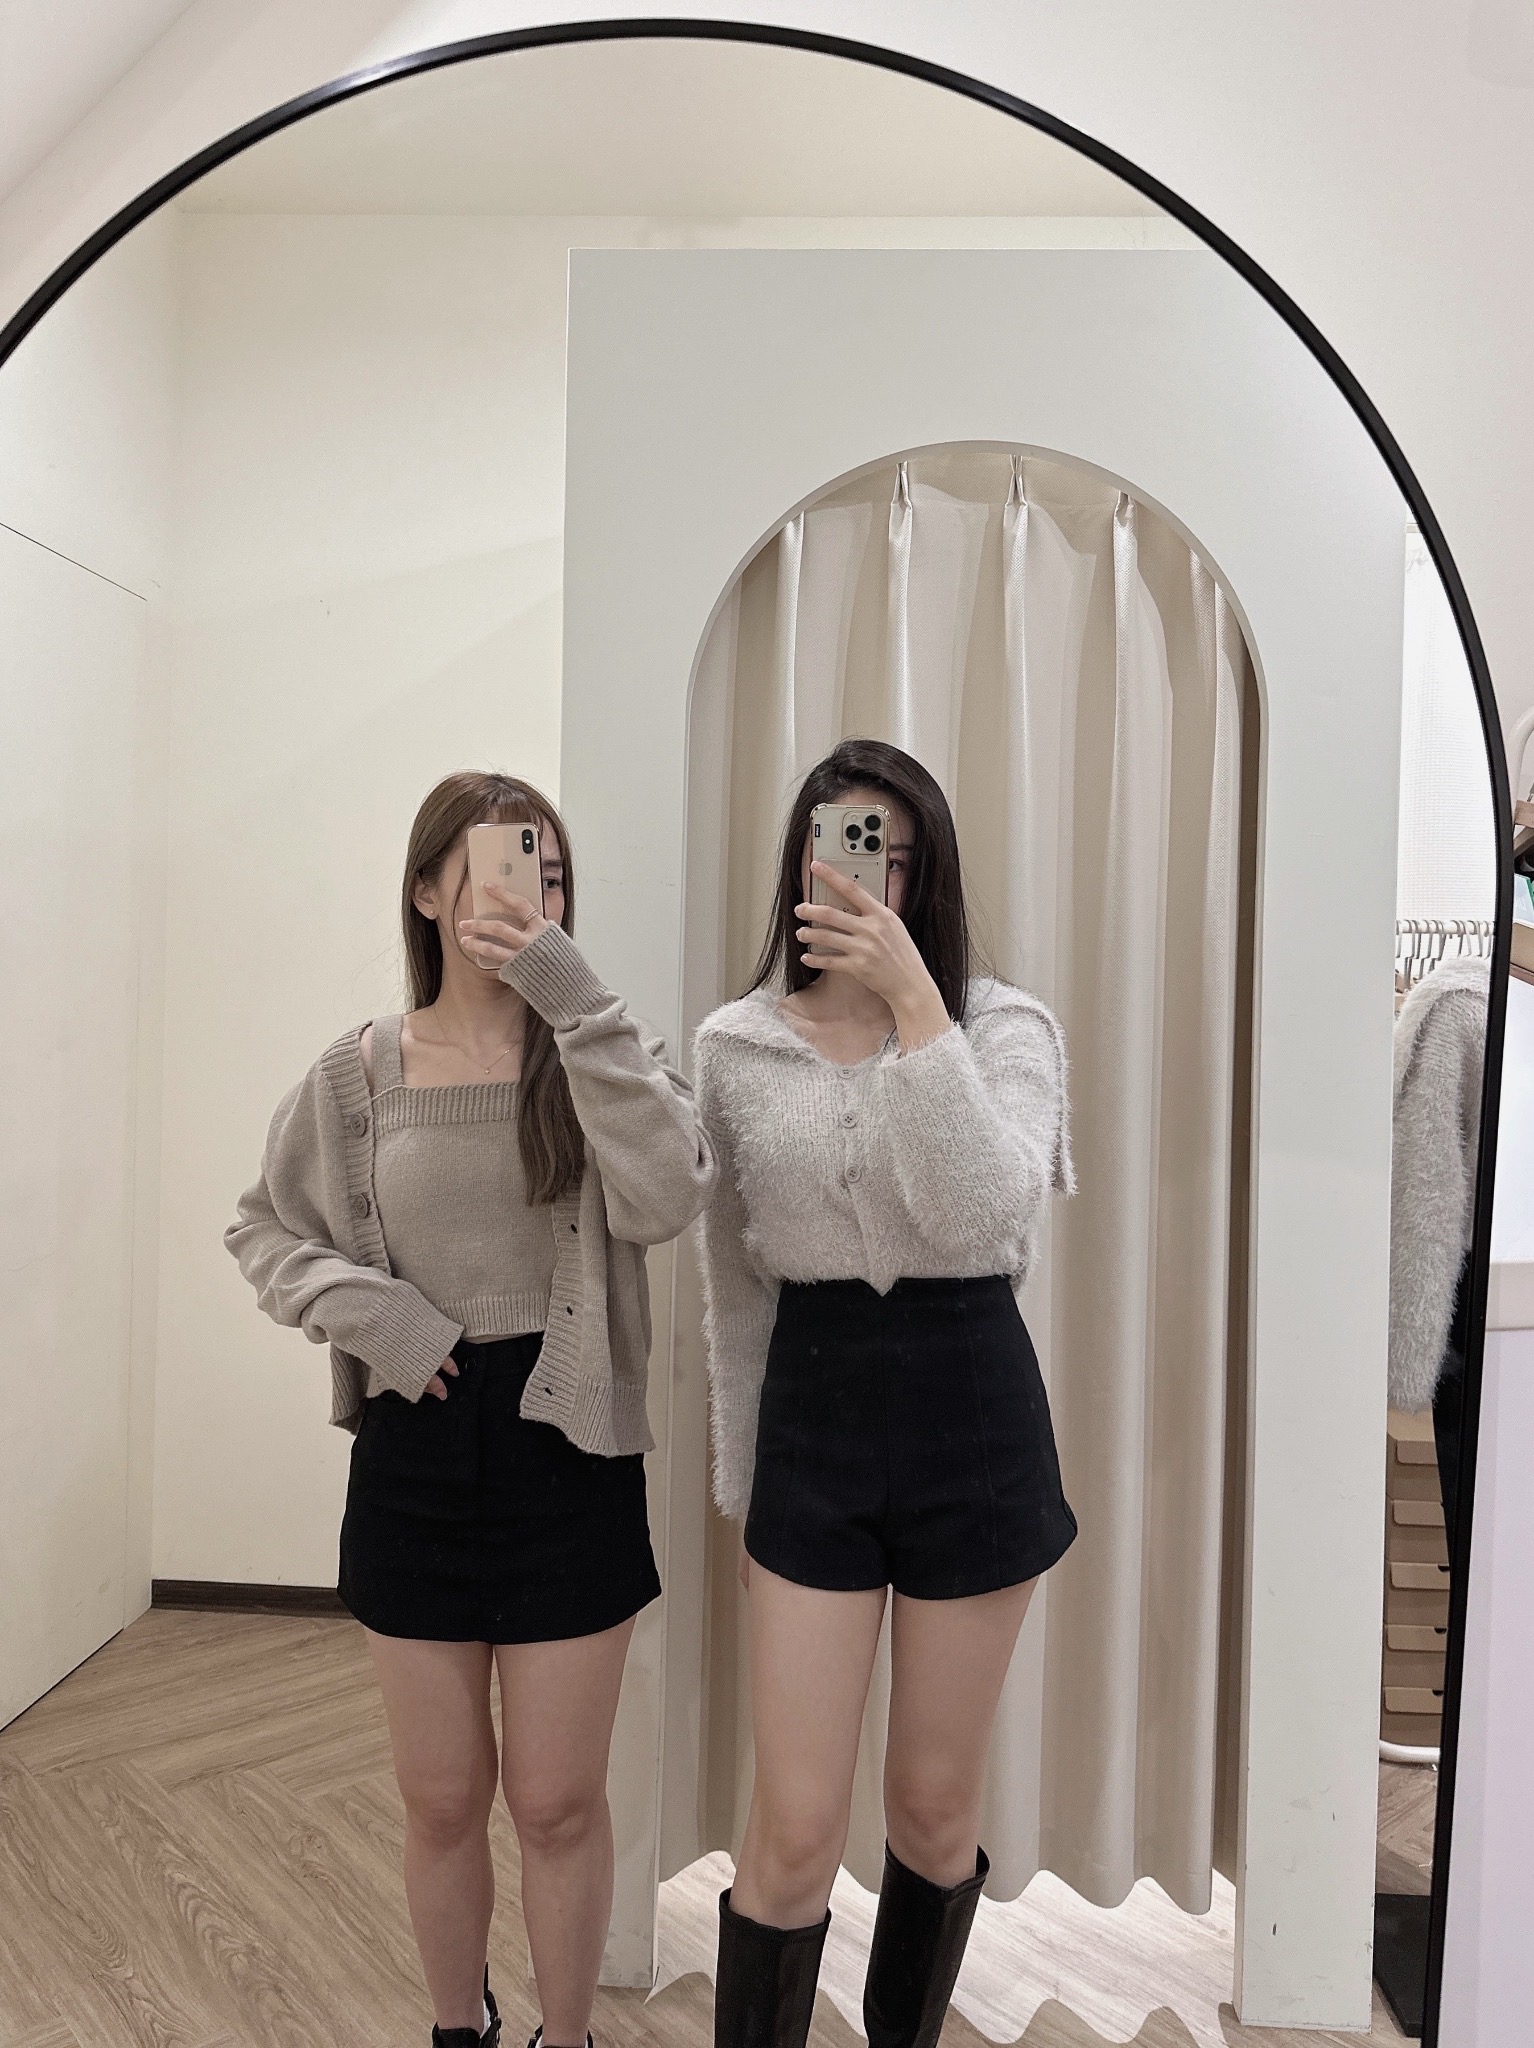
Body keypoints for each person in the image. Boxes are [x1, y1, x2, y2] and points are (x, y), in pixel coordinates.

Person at [226, 771, 714, 2048]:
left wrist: (574, 998)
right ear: (428, 888)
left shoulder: (599, 1052)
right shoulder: (356, 1074)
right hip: (418, 1447)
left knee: (556, 1801)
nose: (525, 888)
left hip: (571, 1446)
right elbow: (262, 1228)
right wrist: (373, 1313)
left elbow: (669, 1195)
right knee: (441, 1797)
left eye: (547, 870)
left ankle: (568, 2033)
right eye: (500, 863)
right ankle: (460, 2025)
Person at [693, 739, 1077, 2048]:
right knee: (795, 1825)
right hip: (813, 1417)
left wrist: (918, 1010)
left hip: (972, 1410)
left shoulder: (1004, 1030)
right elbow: (732, 1289)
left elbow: (983, 1214)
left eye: (897, 858)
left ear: (930, 874)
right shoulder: (737, 1046)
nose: (871, 882)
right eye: (847, 851)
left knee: (929, 1803)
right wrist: (745, 1482)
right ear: (802, 865)